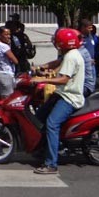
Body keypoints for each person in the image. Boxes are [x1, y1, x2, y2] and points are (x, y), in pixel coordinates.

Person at [32, 28, 85, 175]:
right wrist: (41, 67)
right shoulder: (70, 53)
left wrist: (42, 79)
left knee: (51, 124)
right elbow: (56, 62)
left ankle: (51, 164)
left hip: (69, 98)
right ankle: (42, 148)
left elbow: (63, 79)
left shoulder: (71, 57)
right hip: (61, 94)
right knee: (39, 117)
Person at [0, 26, 19, 99]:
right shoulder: (4, 46)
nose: (8, 37)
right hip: (5, 74)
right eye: (6, 34)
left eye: (9, 34)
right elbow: (15, 61)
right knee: (7, 99)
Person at [78, 19, 98, 89]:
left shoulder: (90, 36)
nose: (91, 29)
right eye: (89, 28)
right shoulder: (79, 37)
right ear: (83, 27)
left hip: (91, 65)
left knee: (93, 83)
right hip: (85, 65)